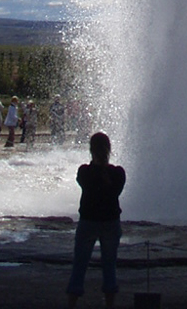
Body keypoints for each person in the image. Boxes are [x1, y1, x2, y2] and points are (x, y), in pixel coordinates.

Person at [67, 132, 126, 309]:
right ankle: (109, 304)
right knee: (109, 267)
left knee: (79, 266)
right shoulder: (118, 173)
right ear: (109, 149)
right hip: (110, 222)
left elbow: (85, 183)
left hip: (88, 221)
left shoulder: (84, 171)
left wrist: (97, 167)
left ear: (91, 149)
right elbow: (115, 192)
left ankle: (72, 304)